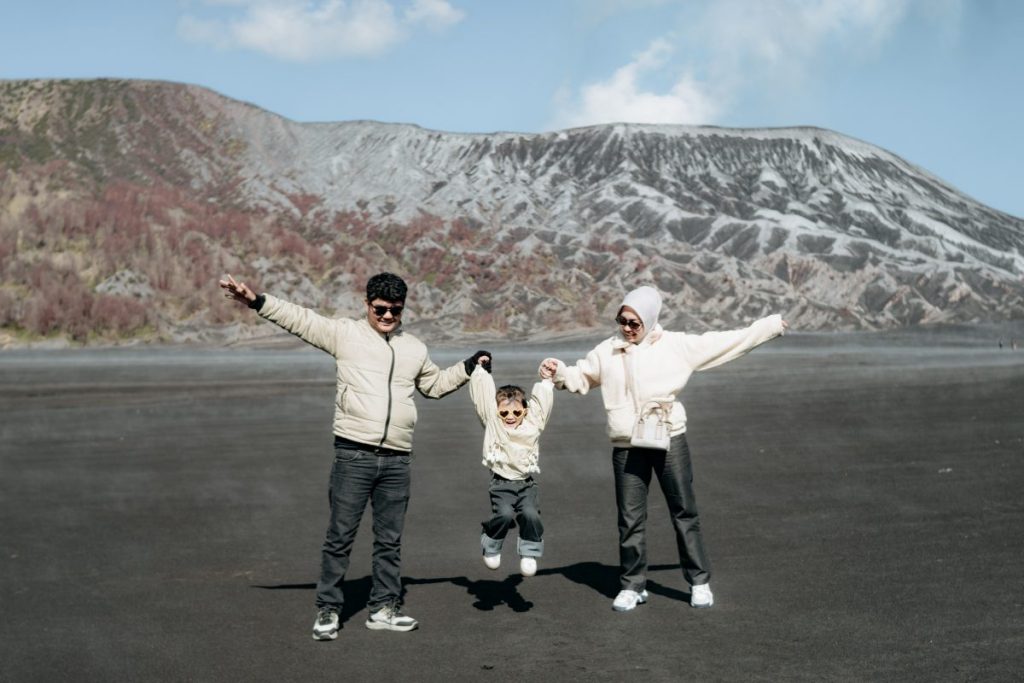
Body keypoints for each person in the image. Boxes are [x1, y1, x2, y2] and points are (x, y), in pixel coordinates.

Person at [218, 272, 490, 641]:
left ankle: (383, 608)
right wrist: (256, 300)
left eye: (395, 310)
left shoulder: (414, 348)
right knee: (340, 537)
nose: (388, 316)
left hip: (397, 460)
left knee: (389, 540)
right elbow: (300, 319)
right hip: (354, 455)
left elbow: (434, 386)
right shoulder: (345, 334)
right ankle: (328, 610)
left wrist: (469, 366)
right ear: (367, 304)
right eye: (381, 309)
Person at [541, 285, 786, 612]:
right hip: (627, 446)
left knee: (684, 511)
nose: (627, 329)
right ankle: (632, 585)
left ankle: (699, 581)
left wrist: (769, 327)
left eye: (634, 323)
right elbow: (580, 377)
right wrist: (558, 372)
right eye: (622, 321)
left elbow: (728, 340)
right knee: (630, 518)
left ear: (650, 320)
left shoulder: (677, 346)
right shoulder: (608, 351)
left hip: (668, 440)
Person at [467, 357, 554, 577]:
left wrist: (545, 381)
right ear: (497, 413)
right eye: (504, 412)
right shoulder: (493, 423)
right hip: (501, 483)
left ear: (525, 411)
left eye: (516, 412)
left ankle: (529, 552)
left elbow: (542, 404)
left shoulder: (533, 424)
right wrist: (481, 372)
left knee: (531, 515)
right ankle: (492, 545)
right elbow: (483, 399)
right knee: (504, 515)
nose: (510, 416)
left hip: (526, 483)